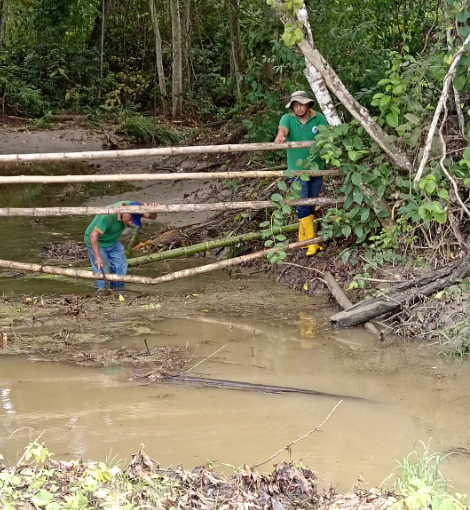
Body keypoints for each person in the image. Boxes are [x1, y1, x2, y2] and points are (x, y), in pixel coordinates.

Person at [274, 90, 328, 256]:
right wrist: (280, 137)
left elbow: (326, 135)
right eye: (295, 105)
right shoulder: (287, 119)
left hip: (316, 168)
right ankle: (312, 242)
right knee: (302, 203)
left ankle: (303, 239)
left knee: (310, 203)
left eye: (301, 105)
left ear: (308, 104)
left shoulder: (319, 118)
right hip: (296, 170)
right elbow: (283, 130)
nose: (298, 108)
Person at [84, 200, 158, 292]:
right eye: (131, 219)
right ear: (125, 212)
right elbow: (93, 236)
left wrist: (153, 210)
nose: (131, 223)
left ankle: (118, 291)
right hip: (98, 241)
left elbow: (152, 216)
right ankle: (101, 293)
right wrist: (97, 257)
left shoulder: (134, 207)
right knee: (102, 270)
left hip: (112, 240)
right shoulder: (108, 215)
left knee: (121, 265)